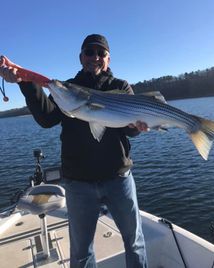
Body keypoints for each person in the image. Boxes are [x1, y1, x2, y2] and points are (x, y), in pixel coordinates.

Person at [0, 34, 149, 268]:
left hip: (118, 178)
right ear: (81, 57)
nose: (95, 57)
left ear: (108, 59)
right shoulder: (67, 90)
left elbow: (129, 131)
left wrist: (138, 127)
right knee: (81, 253)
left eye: (101, 53)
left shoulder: (120, 87)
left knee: (135, 243)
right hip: (78, 183)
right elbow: (47, 118)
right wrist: (25, 84)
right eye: (90, 52)